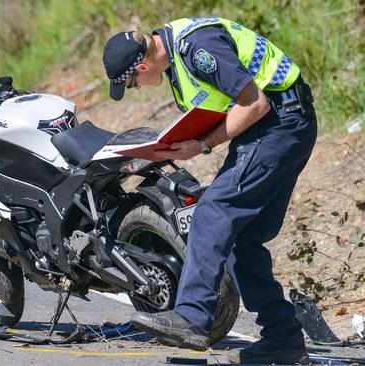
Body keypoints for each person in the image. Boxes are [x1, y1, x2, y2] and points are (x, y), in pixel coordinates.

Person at [102, 17, 317, 364]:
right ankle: (283, 339)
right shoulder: (177, 59)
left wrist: (202, 144)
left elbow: (254, 103)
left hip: (278, 124)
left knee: (211, 213)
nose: (136, 88)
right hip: (280, 127)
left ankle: (191, 317)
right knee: (242, 238)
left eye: (132, 83)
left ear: (141, 65)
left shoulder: (197, 48)